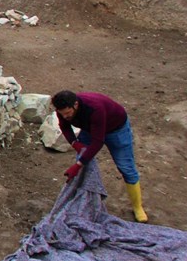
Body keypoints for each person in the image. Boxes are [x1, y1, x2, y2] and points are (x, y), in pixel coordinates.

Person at [51, 89, 148, 222]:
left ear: (76, 105)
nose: (66, 116)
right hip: (89, 129)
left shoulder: (94, 108)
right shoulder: (62, 111)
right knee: (83, 161)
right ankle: (83, 200)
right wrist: (75, 144)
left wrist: (77, 165)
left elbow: (98, 142)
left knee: (126, 168)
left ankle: (138, 207)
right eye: (63, 114)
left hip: (116, 129)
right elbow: (65, 127)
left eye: (68, 113)